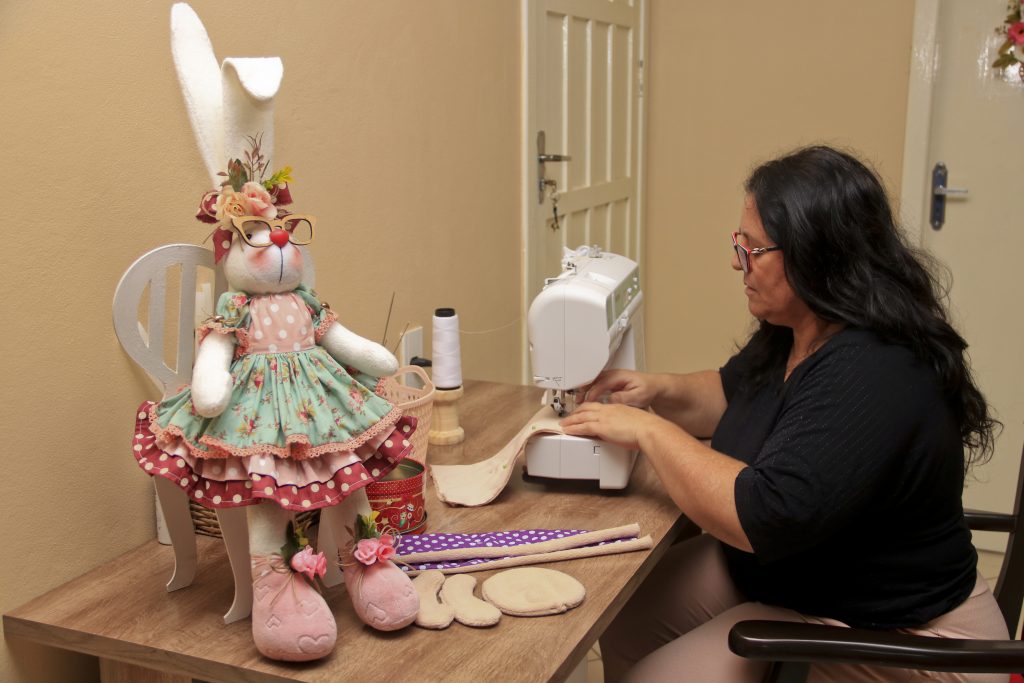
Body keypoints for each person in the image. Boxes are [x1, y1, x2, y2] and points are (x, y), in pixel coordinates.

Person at [560, 145, 1009, 683]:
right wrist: (656, 390)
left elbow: (761, 514)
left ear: (817, 253)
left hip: (908, 634)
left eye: (753, 249)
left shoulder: (874, 369)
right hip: (807, 577)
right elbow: (733, 393)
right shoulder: (800, 326)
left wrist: (650, 432)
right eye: (738, 243)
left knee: (658, 677)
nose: (737, 262)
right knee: (627, 612)